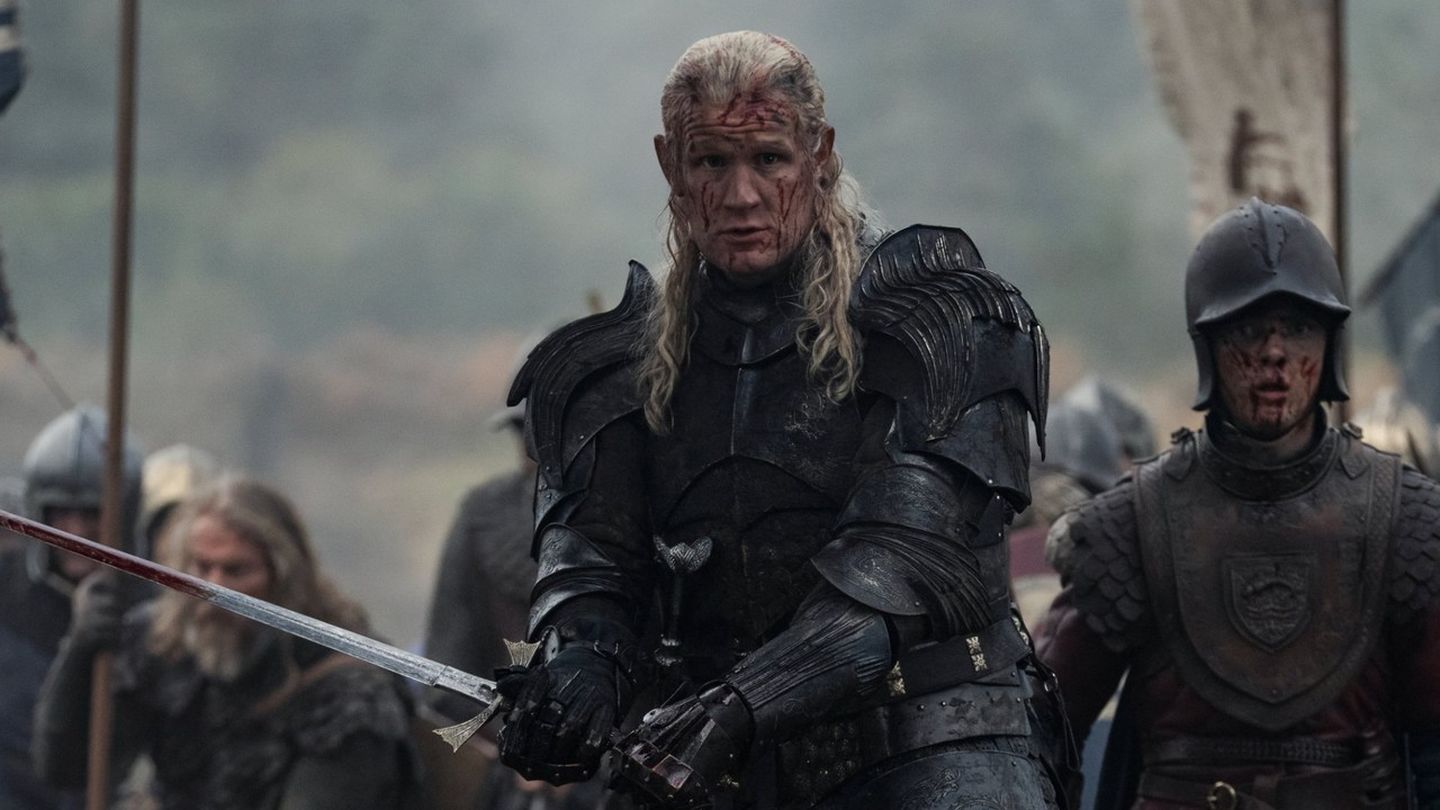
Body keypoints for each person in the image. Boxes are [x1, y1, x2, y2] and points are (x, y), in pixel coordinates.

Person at [499, 31, 1066, 809]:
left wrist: (738, 706)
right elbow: (594, 564)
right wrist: (580, 670)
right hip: (711, 761)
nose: (741, 196)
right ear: (671, 167)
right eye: (711, 162)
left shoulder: (937, 327)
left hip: (932, 741)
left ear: (819, 155)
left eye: (769, 158)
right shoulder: (619, 367)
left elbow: (896, 571)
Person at [1035, 198, 1440, 809]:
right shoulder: (1129, 528)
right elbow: (1040, 733)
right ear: (1211, 346)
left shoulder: (1408, 521)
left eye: (1297, 327)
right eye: (1250, 329)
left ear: (1328, 343)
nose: (1275, 353)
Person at [32, 475, 420, 810]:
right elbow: (68, 769)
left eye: (236, 570)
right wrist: (81, 649)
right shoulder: (165, 644)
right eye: (202, 567)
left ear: (282, 576)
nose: (213, 590)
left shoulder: (348, 694)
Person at [0, 405, 141, 810]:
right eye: (61, 514)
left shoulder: (149, 608)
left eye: (92, 514)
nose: (75, 533)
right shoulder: (5, 585)